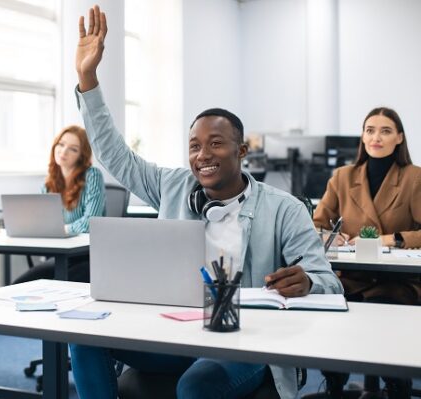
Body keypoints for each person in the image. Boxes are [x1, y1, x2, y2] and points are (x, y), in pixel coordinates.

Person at [69, 6, 342, 399]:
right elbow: (114, 154)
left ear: (242, 151)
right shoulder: (172, 186)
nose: (203, 155)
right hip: (174, 331)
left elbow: (330, 285)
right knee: (84, 336)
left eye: (216, 143)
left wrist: (308, 282)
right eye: (194, 146)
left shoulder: (284, 209)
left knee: (196, 384)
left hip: (246, 341)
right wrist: (87, 77)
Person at [313, 107, 420, 397]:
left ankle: (397, 384)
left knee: (386, 310)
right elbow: (316, 226)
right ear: (362, 136)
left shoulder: (414, 177)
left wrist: (390, 238)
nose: (376, 137)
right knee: (328, 305)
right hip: (352, 276)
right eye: (370, 130)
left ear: (399, 138)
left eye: (385, 131)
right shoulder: (343, 177)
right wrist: (330, 238)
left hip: (397, 282)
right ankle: (334, 382)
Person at [13, 125, 105, 283]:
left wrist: (63, 229)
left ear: (81, 155)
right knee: (18, 285)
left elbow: (92, 222)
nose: (64, 151)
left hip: (87, 257)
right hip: (60, 255)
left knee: (58, 286)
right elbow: (43, 223)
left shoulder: (93, 175)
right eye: (61, 144)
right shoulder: (49, 182)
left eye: (73, 149)